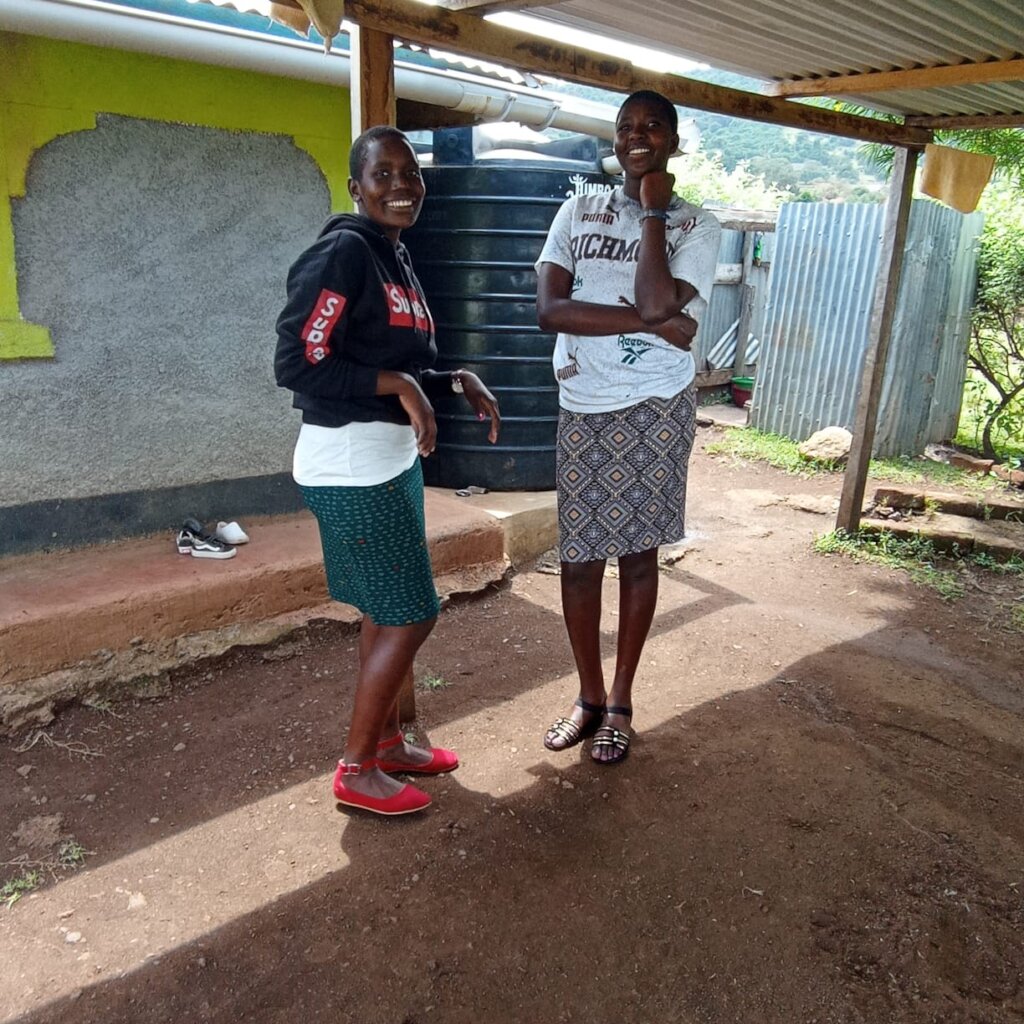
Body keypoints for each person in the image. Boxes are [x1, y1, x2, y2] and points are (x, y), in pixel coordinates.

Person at [274, 126, 500, 815]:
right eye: (384, 174)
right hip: (348, 463)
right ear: (356, 186)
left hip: (389, 460)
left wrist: (448, 374)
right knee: (410, 612)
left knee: (386, 607)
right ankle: (354, 768)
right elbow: (300, 362)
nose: (402, 185)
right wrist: (400, 386)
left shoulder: (395, 258)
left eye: (411, 173)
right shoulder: (343, 252)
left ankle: (389, 743)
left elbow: (388, 352)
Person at [535, 90, 721, 764]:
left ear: (673, 141)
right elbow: (551, 311)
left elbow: (655, 295)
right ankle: (586, 697)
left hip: (654, 405)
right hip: (584, 402)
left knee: (637, 556)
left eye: (651, 127)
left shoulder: (696, 225)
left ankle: (620, 701)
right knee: (580, 561)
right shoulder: (578, 206)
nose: (636, 137)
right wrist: (657, 324)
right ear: (613, 141)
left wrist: (652, 211)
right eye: (625, 128)